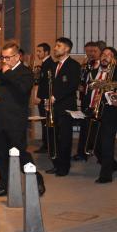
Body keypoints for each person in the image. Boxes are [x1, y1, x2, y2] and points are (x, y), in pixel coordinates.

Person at [0, 42, 45, 197]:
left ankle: (36, 180)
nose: (4, 61)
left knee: (20, 154)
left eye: (8, 57)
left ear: (17, 56)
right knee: (0, 156)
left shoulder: (24, 72)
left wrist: (7, 74)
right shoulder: (2, 73)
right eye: (3, 57)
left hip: (15, 123)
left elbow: (23, 89)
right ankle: (5, 186)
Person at [45, 37, 80, 177]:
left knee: (65, 139)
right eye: (55, 45)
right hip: (52, 107)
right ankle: (56, 164)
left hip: (65, 108)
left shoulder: (74, 65)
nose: (55, 48)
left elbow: (72, 87)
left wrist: (55, 97)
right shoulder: (53, 66)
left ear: (66, 49)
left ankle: (64, 167)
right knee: (52, 137)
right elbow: (48, 85)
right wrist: (46, 98)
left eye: (58, 46)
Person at [89, 47, 117, 183]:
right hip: (93, 112)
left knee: (107, 144)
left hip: (110, 113)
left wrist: (108, 97)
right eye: (103, 54)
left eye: (109, 55)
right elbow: (87, 92)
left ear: (114, 59)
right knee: (94, 144)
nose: (105, 57)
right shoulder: (93, 73)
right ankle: (113, 165)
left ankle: (106, 175)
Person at [73, 41, 102, 161]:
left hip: (96, 102)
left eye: (93, 51)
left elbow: (94, 84)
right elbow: (83, 80)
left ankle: (91, 151)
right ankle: (82, 152)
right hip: (86, 100)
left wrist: (84, 86)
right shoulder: (88, 64)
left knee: (94, 129)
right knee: (85, 129)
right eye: (88, 51)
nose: (90, 54)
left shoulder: (101, 66)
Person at [33, 43, 56, 154]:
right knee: (44, 122)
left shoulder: (49, 64)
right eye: (37, 51)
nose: (38, 53)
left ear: (46, 52)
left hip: (46, 99)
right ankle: (46, 144)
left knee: (46, 122)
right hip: (43, 98)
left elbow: (48, 85)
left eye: (39, 51)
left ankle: (48, 145)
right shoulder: (44, 63)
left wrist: (40, 98)